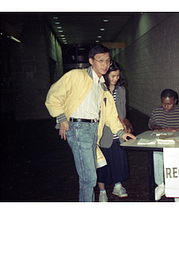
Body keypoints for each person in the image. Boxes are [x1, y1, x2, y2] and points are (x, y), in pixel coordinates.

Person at [45, 45, 136, 202]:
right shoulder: (76, 76)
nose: (105, 64)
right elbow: (54, 94)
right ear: (91, 61)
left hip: (94, 130)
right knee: (89, 178)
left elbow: (110, 115)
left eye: (108, 60)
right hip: (79, 128)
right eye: (101, 60)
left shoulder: (102, 86)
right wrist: (61, 118)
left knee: (89, 175)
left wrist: (121, 132)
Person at [97, 61, 130, 202]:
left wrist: (125, 125)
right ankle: (102, 192)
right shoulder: (99, 90)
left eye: (117, 75)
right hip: (104, 133)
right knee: (102, 164)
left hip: (119, 132)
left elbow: (122, 112)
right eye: (112, 76)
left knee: (118, 161)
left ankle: (118, 186)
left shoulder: (121, 90)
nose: (116, 79)